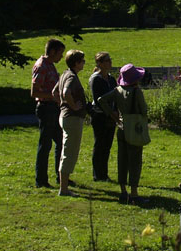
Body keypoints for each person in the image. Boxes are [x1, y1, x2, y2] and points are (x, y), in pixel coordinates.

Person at [99, 63, 150, 204]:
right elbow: (144, 111)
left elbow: (101, 100)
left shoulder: (117, 90)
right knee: (135, 161)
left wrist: (112, 114)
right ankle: (134, 193)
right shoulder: (136, 92)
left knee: (122, 160)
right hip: (135, 129)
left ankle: (123, 191)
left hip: (121, 127)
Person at [30, 39, 65, 189]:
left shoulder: (50, 65)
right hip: (46, 108)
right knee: (45, 144)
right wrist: (53, 96)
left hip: (54, 108)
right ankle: (41, 180)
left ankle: (61, 177)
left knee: (61, 142)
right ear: (52, 52)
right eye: (60, 53)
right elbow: (34, 92)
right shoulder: (42, 66)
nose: (61, 57)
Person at [54, 49, 87, 197]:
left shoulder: (64, 74)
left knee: (66, 151)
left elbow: (54, 93)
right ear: (77, 63)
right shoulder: (71, 77)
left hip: (65, 116)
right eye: (82, 61)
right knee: (69, 152)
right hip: (72, 118)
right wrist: (72, 106)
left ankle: (64, 186)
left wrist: (62, 105)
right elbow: (64, 93)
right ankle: (64, 188)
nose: (84, 63)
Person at [89, 52, 116, 182]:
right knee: (99, 144)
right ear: (99, 63)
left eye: (110, 60)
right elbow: (98, 99)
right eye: (107, 61)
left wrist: (115, 112)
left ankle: (104, 173)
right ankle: (97, 174)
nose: (110, 63)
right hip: (100, 115)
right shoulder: (96, 79)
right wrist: (110, 112)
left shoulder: (111, 79)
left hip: (112, 116)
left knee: (107, 145)